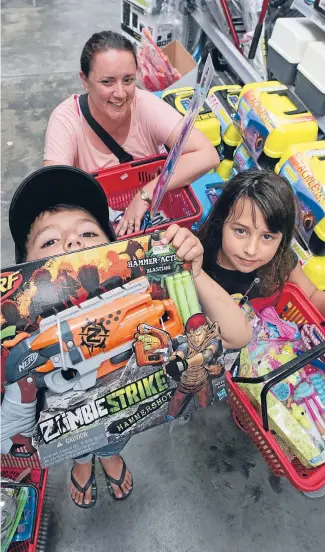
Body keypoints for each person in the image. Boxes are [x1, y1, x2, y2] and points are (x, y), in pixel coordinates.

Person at [8, 165, 251, 508]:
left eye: (89, 233)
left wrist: (190, 273)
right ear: (25, 270)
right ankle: (81, 464)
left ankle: (108, 456)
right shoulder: (22, 339)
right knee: (75, 445)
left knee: (112, 438)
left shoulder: (143, 294)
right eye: (49, 240)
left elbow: (238, 335)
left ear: (115, 249)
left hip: (123, 416)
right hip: (63, 429)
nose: (73, 241)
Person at [43, 30, 220, 237]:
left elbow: (207, 154)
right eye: (107, 82)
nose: (120, 93)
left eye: (128, 80)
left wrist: (145, 194)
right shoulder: (66, 120)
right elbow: (52, 191)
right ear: (85, 80)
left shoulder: (144, 105)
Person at [198, 169, 325, 316]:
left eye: (267, 237)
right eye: (241, 231)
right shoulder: (201, 256)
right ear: (221, 222)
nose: (251, 250)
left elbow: (312, 295)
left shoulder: (282, 260)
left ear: (282, 239)